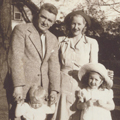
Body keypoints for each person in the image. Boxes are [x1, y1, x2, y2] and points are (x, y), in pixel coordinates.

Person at [57, 10, 113, 120]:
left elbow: (94, 68)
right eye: (73, 23)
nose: (76, 27)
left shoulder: (91, 43)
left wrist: (105, 73)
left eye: (79, 24)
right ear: (69, 24)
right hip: (62, 86)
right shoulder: (61, 41)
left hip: (82, 86)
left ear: (84, 26)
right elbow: (55, 66)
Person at [8, 3, 60, 120]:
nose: (46, 22)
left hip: (42, 91)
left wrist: (54, 90)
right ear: (37, 15)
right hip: (23, 88)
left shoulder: (53, 38)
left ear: (52, 23)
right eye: (44, 17)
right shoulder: (21, 30)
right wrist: (18, 86)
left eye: (50, 20)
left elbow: (54, 66)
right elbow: (16, 58)